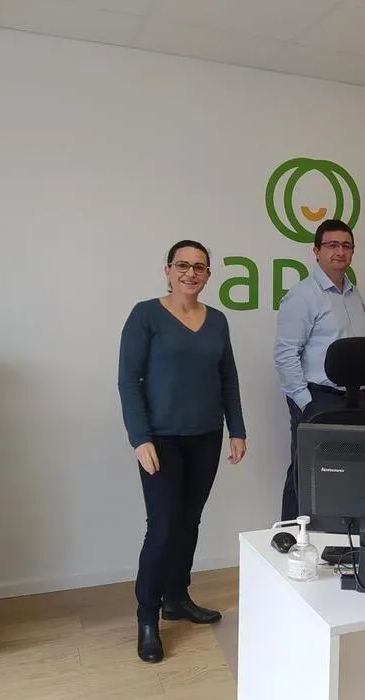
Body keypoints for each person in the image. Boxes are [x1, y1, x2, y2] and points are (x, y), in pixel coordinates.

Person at [117, 239, 247, 664]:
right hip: (161, 440)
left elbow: (228, 379)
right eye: (183, 265)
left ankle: (176, 597)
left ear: (208, 275)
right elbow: (129, 381)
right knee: (163, 526)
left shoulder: (218, 320)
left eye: (199, 267)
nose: (191, 273)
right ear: (168, 270)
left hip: (206, 436)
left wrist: (237, 429)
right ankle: (147, 616)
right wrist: (140, 438)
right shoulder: (145, 315)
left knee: (189, 520)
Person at [274, 219, 365, 521]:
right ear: (316, 251)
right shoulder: (303, 295)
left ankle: (336, 540)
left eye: (346, 245)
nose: (340, 251)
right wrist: (307, 403)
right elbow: (285, 354)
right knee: (307, 476)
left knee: (347, 476)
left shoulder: (353, 294)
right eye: (332, 245)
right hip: (319, 398)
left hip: (353, 399)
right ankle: (290, 538)